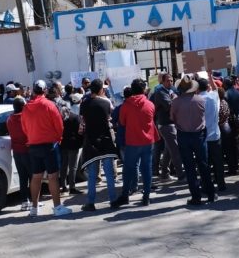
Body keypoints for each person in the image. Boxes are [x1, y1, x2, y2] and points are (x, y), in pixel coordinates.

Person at [21, 80, 72, 217]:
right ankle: (57, 208)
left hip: (33, 145)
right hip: (49, 145)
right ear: (44, 91)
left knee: (35, 177)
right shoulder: (49, 105)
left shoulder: (26, 107)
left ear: (33, 90)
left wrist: (32, 137)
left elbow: (24, 127)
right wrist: (58, 138)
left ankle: (34, 208)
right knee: (53, 177)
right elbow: (59, 125)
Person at [112, 79, 158, 208]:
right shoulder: (150, 104)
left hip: (132, 141)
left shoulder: (126, 105)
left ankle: (125, 195)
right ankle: (146, 196)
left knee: (128, 169)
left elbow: (122, 122)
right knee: (146, 169)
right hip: (148, 141)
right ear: (144, 90)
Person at [170, 75, 216, 205]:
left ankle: (196, 196)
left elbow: (172, 118)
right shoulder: (201, 100)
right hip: (199, 135)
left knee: (189, 168)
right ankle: (211, 193)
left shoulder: (176, 101)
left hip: (184, 135)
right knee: (204, 165)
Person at [79, 79, 118, 211]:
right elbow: (110, 116)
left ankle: (90, 202)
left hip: (91, 141)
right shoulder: (106, 102)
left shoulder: (84, 103)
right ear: (101, 89)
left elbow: (83, 121)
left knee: (92, 175)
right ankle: (113, 200)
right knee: (109, 174)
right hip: (105, 139)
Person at [150, 73, 184, 181]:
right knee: (174, 150)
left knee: (169, 149)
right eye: (168, 81)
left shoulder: (173, 89)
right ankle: (181, 175)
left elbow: (180, 100)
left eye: (171, 80)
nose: (170, 82)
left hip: (174, 123)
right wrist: (175, 99)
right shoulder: (159, 91)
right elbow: (169, 106)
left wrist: (175, 98)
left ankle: (164, 173)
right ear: (162, 82)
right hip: (166, 124)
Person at [198, 77, 226, 191]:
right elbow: (216, 89)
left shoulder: (197, 99)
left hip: (202, 136)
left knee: (205, 163)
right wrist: (210, 75)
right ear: (207, 86)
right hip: (215, 135)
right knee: (218, 161)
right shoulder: (214, 97)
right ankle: (221, 184)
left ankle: (206, 185)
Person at [6, 98, 32, 211]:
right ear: (22, 106)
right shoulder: (25, 118)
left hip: (16, 151)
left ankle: (24, 202)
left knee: (22, 177)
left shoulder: (9, 119)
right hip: (27, 150)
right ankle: (34, 201)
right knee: (33, 177)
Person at [59, 91, 83, 195]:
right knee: (73, 167)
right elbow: (80, 131)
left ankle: (64, 186)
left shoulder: (59, 118)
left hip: (63, 144)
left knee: (64, 165)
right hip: (73, 144)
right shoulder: (75, 117)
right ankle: (72, 187)